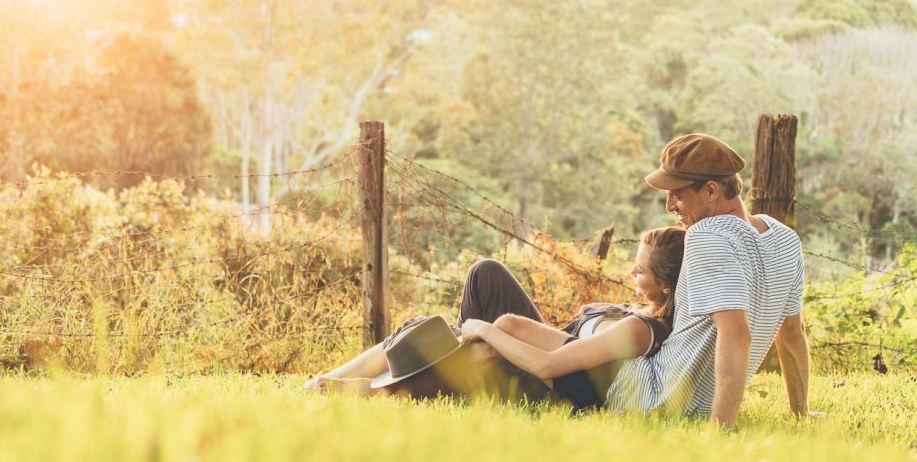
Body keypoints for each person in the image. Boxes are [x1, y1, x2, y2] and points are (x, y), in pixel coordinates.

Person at [304, 226, 686, 410]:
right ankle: (429, 358)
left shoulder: (642, 329)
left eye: (640, 272)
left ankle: (367, 390)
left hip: (554, 378)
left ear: (667, 285)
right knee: (484, 272)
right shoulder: (639, 309)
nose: (630, 275)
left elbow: (553, 364)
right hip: (553, 343)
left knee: (469, 344)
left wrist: (485, 328)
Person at [602, 133, 810, 429]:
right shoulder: (786, 239)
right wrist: (801, 412)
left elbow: (736, 333)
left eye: (677, 194)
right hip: (681, 395)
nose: (669, 206)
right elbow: (792, 333)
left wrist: (720, 428)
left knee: (585, 326)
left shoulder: (706, 235)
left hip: (649, 395)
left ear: (711, 191)